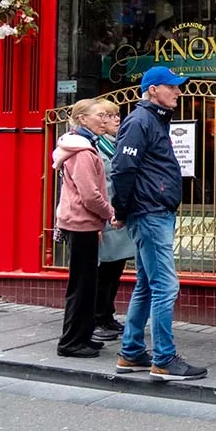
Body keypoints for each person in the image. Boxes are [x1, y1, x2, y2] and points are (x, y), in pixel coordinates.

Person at [110, 66, 207, 382]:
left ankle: (132, 351)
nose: (178, 92)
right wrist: (121, 210)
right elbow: (123, 169)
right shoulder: (141, 122)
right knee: (166, 286)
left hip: (152, 211)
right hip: (150, 213)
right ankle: (164, 358)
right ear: (153, 89)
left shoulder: (152, 120)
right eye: (172, 87)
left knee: (147, 284)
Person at [53, 99, 114, 359]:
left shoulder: (82, 146)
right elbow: (90, 195)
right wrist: (110, 213)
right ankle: (71, 342)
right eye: (98, 115)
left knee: (86, 284)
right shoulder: (83, 152)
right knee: (82, 285)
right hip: (81, 223)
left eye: (105, 116)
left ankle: (83, 336)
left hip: (79, 222)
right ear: (82, 119)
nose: (104, 120)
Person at [92, 99, 136, 342]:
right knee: (103, 269)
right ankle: (96, 318)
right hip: (103, 216)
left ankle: (107, 314)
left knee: (115, 267)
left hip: (117, 216)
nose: (116, 119)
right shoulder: (95, 147)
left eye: (117, 115)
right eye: (109, 116)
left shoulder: (115, 144)